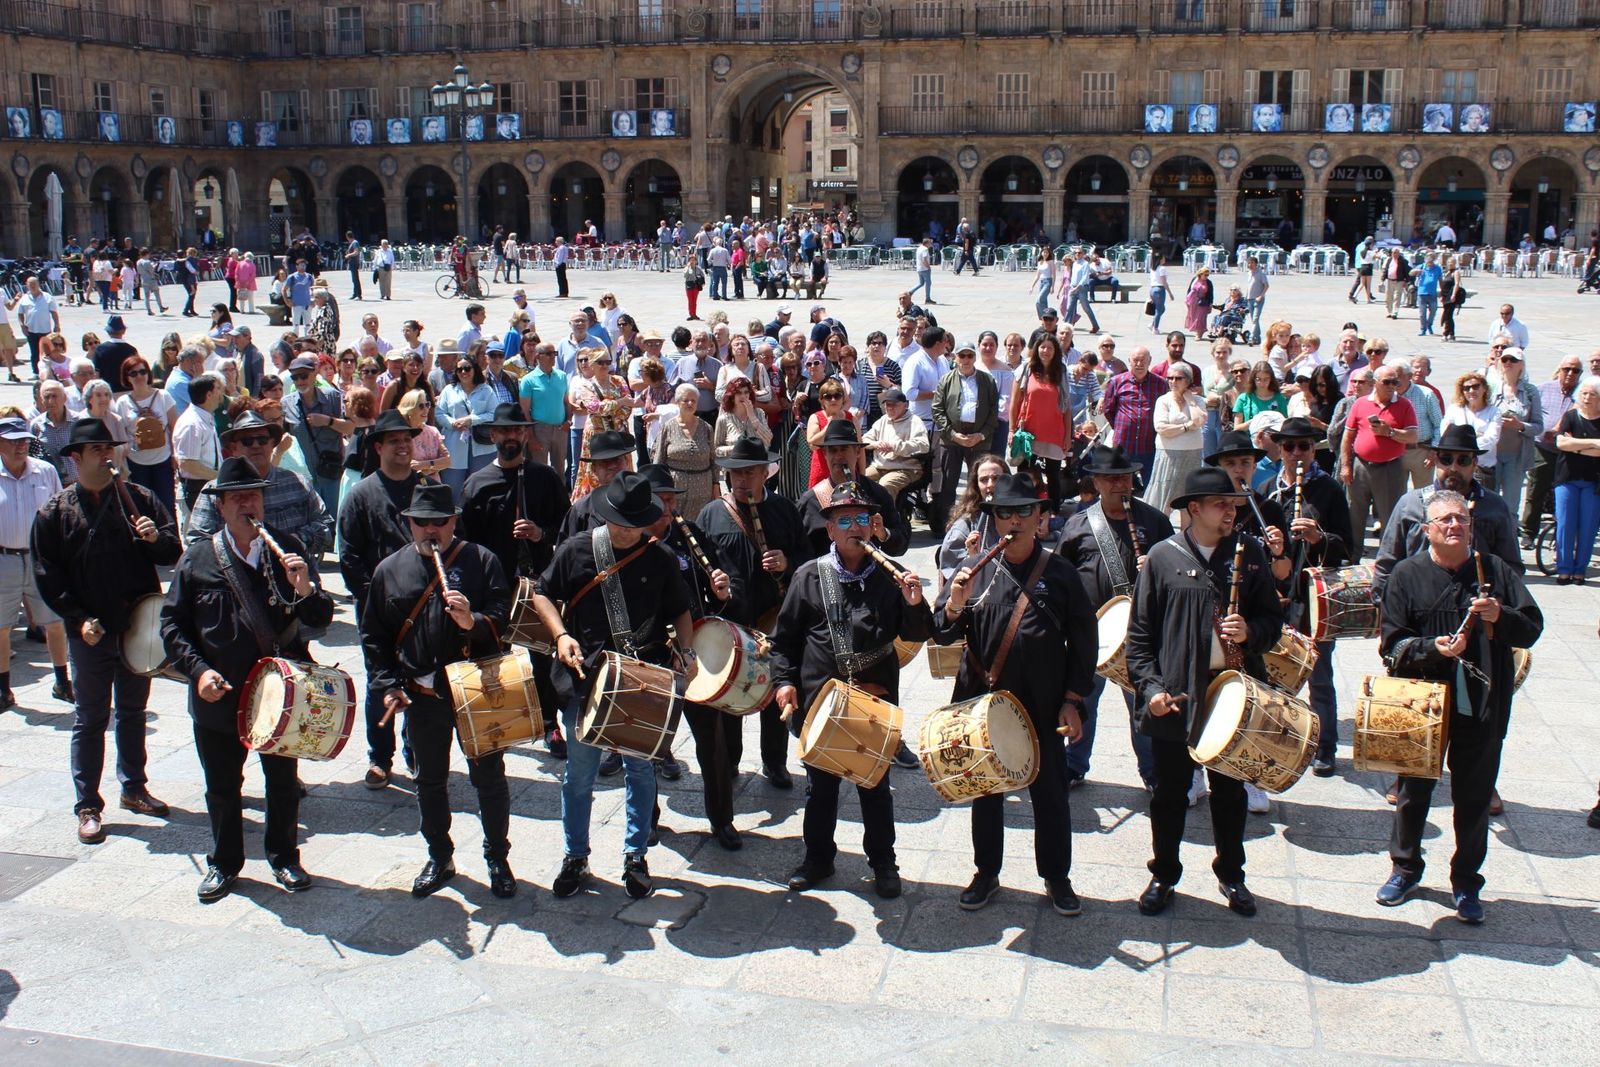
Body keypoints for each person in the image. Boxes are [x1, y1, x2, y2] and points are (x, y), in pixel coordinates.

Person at [159, 457, 333, 902]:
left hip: (281, 693)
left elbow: (320, 618)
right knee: (222, 784)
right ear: (221, 507)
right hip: (220, 694)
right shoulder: (198, 558)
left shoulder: (287, 550)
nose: (246, 504)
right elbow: (172, 626)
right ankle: (224, 862)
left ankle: (284, 856)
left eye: (253, 495)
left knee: (282, 782)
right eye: (236, 497)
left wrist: (305, 589)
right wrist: (198, 672)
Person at [528, 473, 698, 900]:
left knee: (641, 771)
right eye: (619, 522)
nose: (625, 530)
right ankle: (575, 856)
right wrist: (561, 634)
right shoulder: (576, 549)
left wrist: (689, 654)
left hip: (642, 679)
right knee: (578, 775)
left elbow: (681, 611)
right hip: (586, 677)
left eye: (633, 523)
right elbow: (542, 594)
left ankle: (635, 856)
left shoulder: (660, 560)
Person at [1376, 490, 1542, 924]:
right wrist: (1433, 648)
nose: (1454, 525)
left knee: (1473, 795)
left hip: (1482, 701)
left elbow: (1531, 629)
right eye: (1444, 520)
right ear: (1427, 530)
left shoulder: (1494, 571)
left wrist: (1498, 616)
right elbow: (1392, 646)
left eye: (1461, 519)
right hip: (1422, 700)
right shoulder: (1406, 575)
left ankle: (1467, 880)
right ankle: (1405, 867)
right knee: (1413, 791)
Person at [932, 470, 1094, 912]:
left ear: (1041, 516)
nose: (1015, 521)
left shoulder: (1060, 573)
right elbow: (942, 632)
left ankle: (1057, 877)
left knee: (1050, 794)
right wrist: (953, 605)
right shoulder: (974, 569)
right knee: (985, 789)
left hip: (1042, 701)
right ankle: (986, 872)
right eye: (1005, 513)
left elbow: (1084, 641)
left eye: (1025, 511)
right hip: (983, 701)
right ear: (994, 519)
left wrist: (1073, 701)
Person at [1125, 465, 1283, 917]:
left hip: (1231, 692)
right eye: (1220, 504)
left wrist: (1252, 630)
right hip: (1175, 694)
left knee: (1230, 791)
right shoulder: (1162, 557)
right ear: (1194, 510)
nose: (1230, 511)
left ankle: (1232, 874)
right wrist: (1150, 687)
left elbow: (1274, 623)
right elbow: (1139, 637)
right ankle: (1164, 873)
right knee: (1170, 792)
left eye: (1233, 504)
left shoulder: (1249, 554)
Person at [770, 482, 932, 898]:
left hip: (873, 700)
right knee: (820, 788)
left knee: (874, 785)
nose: (854, 528)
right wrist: (785, 683)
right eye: (845, 520)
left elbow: (916, 634)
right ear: (830, 530)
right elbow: (785, 641)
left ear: (873, 526)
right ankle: (818, 859)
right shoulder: (808, 576)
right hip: (820, 701)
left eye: (863, 519)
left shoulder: (888, 577)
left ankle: (883, 863)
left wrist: (915, 604)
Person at [361, 482, 517, 899]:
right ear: (409, 524)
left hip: (476, 691)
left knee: (489, 779)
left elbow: (505, 617)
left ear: (454, 522)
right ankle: (439, 855)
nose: (432, 530)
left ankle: (497, 857)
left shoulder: (481, 560)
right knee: (429, 780)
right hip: (424, 695)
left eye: (440, 522)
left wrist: (475, 622)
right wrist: (389, 685)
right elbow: (375, 637)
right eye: (422, 522)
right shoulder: (389, 570)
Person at [31, 418, 183, 845]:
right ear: (75, 459)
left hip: (136, 624)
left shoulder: (139, 498)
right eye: (96, 450)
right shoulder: (55, 512)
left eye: (109, 448)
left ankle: (134, 787)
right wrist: (77, 618)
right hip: (91, 630)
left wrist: (155, 539)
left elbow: (173, 551)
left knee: (133, 711)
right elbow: (48, 575)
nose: (106, 456)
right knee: (91, 717)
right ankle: (87, 804)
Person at [1057, 445, 1172, 791]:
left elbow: (1181, 573)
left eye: (1124, 478)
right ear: (1097, 482)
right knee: (1082, 700)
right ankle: (1074, 765)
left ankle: (1153, 772)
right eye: (1111, 479)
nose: (1120, 485)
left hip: (1142, 634)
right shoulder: (1079, 524)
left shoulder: (1154, 521)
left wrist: (1156, 568)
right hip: (1092, 633)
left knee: (1144, 706)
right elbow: (1060, 576)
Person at [1263, 418, 1354, 775]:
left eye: (1304, 447)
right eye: (1289, 447)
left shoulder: (1329, 491)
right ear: (1280, 450)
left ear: (1313, 450)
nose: (1297, 454)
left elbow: (1348, 548)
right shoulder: (1270, 490)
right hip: (1277, 596)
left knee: (1318, 673)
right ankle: (1278, 740)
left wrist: (1320, 538)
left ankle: (1325, 746)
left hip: (1315, 598)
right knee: (1272, 672)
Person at [337, 410, 422, 790]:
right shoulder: (361, 495)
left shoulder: (427, 488)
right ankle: (380, 757)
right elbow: (349, 555)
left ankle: (416, 746)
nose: (403, 446)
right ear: (378, 447)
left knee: (422, 681)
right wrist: (372, 600)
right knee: (380, 682)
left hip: (423, 607)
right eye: (394, 441)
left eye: (407, 439)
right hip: (378, 607)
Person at [1373, 424, 1520, 603]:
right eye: (1446, 459)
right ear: (1436, 460)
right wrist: (1383, 606)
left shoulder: (1494, 506)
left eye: (1463, 460)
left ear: (1475, 463)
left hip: (1473, 608)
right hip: (1416, 604)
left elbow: (1511, 566)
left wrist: (1495, 602)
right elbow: (1387, 562)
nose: (1453, 467)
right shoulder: (1410, 504)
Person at [0, 417, 71, 709]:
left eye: (24, 440)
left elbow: (60, 513)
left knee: (54, 622)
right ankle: (4, 689)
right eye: (13, 441)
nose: (21, 446)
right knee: (2, 627)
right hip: (3, 559)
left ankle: (62, 681)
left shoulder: (45, 471)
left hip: (40, 557)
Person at [1341, 364, 1417, 558]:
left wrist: (1389, 432)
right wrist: (1346, 466)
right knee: (1354, 516)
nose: (1392, 386)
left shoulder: (1404, 405)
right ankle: (1353, 557)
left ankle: (1387, 560)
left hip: (1390, 469)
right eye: (1387, 382)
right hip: (1361, 467)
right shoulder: (1360, 404)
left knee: (1389, 517)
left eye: (1395, 382)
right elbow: (1347, 437)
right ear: (1375, 383)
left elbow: (1413, 436)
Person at [1548, 377, 1600, 583]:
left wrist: (1575, 445)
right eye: (1584, 393)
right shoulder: (1570, 416)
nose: (1587, 398)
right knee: (1565, 524)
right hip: (1567, 478)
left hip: (1593, 481)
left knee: (1588, 526)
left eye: (1592, 394)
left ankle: (1580, 569)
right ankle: (1564, 568)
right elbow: (1561, 443)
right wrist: (1593, 443)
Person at [1146, 363, 1206, 511]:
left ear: (1188, 380)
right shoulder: (1163, 400)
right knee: (1162, 497)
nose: (1173, 381)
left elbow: (1199, 421)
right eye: (1170, 378)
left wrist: (1189, 399)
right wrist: (1186, 427)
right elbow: (1161, 428)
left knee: (1188, 499)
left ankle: (1187, 532)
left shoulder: (1197, 401)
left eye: (1178, 378)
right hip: (1168, 453)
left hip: (1192, 453)